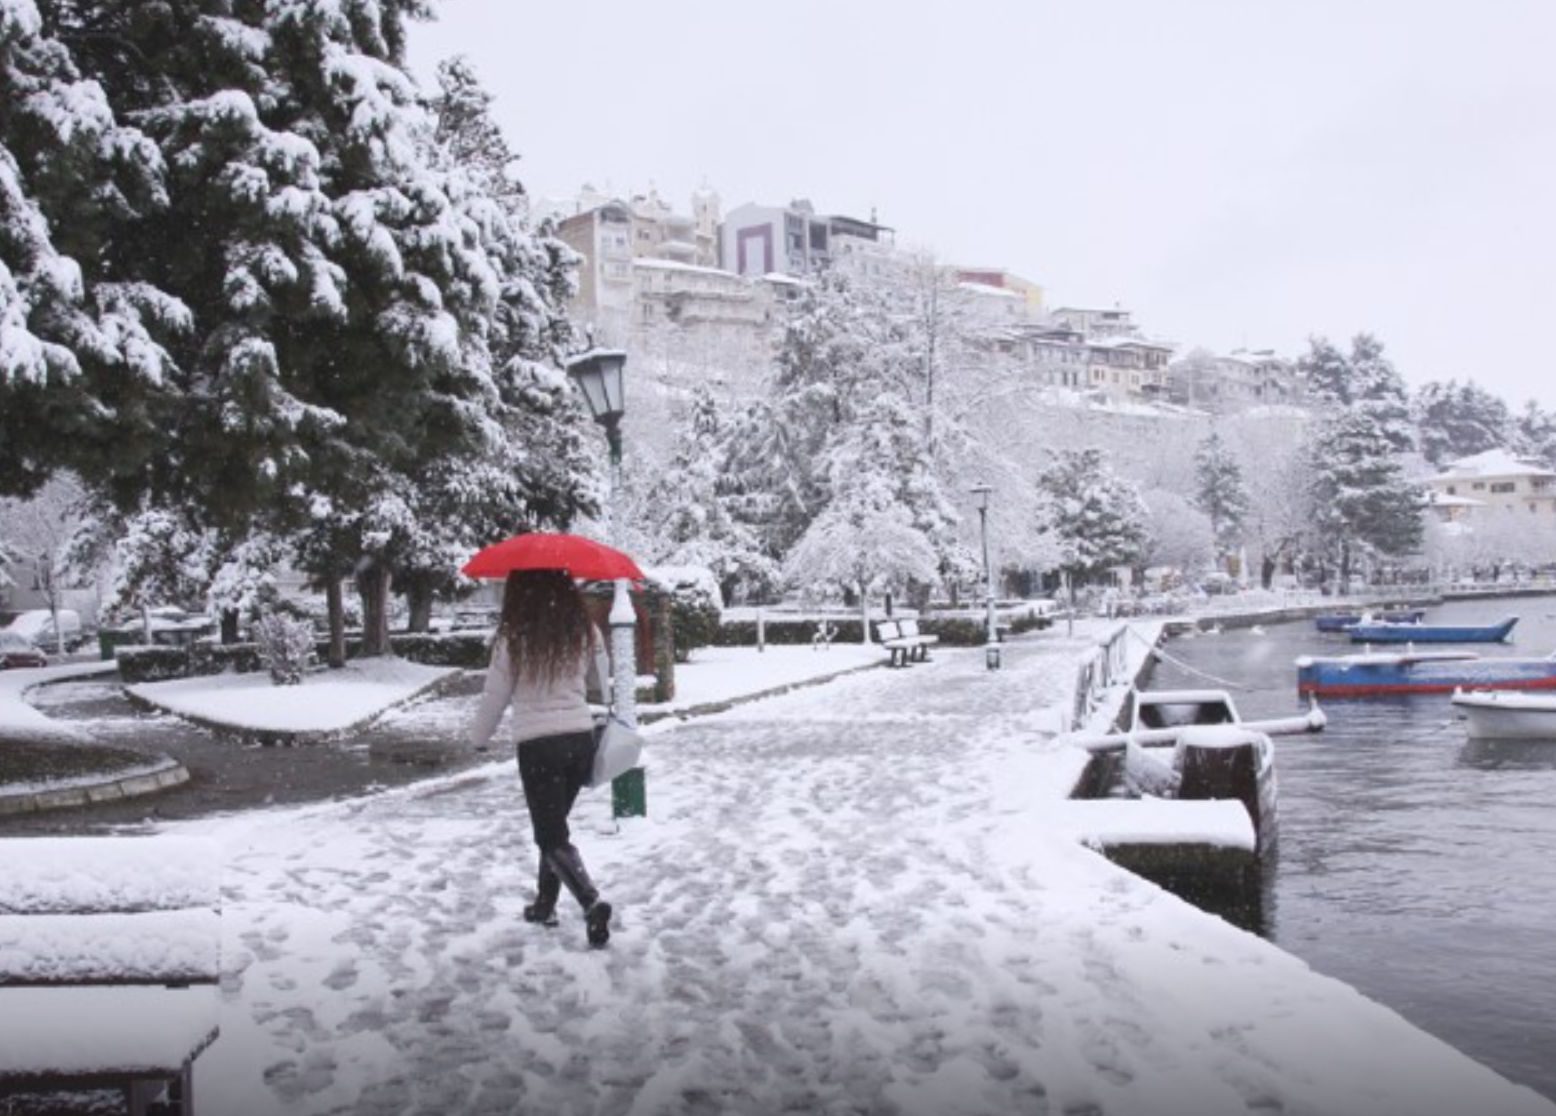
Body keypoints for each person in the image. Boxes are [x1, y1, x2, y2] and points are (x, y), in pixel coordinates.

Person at [470, 569, 614, 948]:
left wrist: (479, 739)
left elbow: (494, 694)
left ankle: (590, 901)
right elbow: (601, 678)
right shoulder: (583, 630)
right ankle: (544, 904)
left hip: (539, 746)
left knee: (550, 833)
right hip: (579, 740)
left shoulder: (515, 635)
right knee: (555, 826)